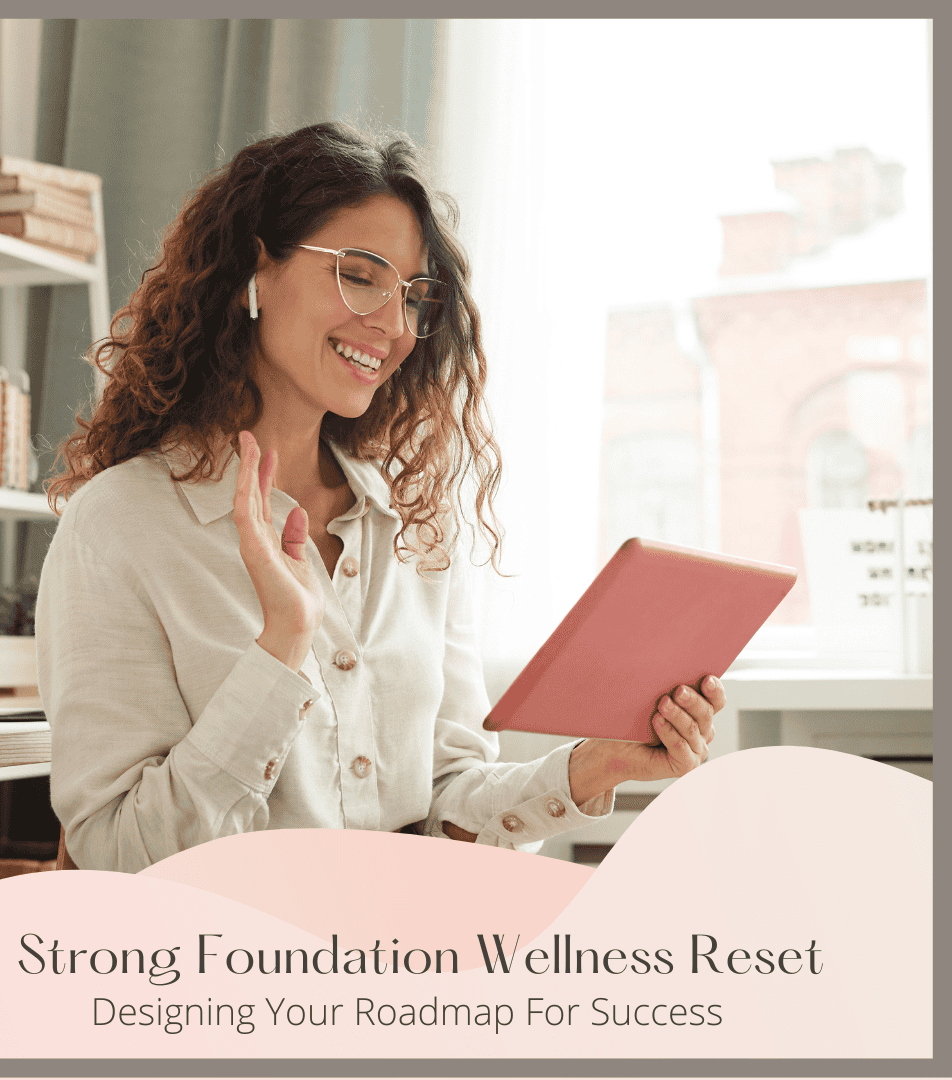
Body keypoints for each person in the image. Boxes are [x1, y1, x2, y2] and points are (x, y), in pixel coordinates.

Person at [36, 121, 723, 872]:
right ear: (255, 270)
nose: (394, 327)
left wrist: (598, 768)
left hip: (402, 963)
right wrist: (281, 651)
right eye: (359, 275)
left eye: (413, 297)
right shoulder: (122, 524)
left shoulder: (417, 533)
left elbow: (446, 804)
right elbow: (117, 861)